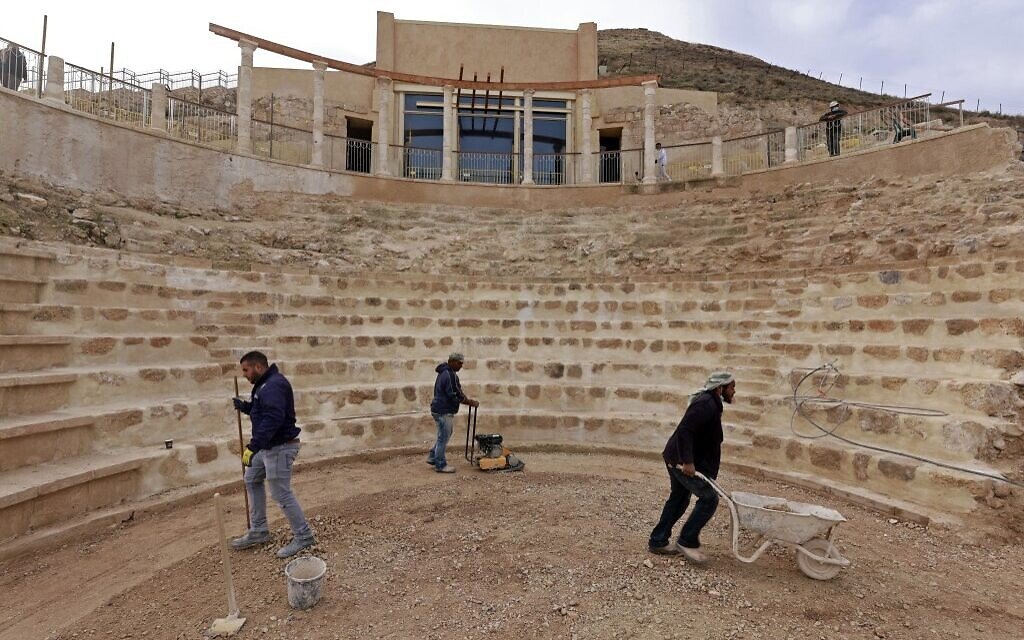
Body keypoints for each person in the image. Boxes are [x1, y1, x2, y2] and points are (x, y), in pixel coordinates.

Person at [230, 351, 315, 558]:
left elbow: (274, 417)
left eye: (246, 370)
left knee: (280, 492)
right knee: (251, 478)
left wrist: (253, 446)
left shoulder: (273, 385)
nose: (244, 374)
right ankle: (259, 530)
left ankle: (303, 536)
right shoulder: (265, 385)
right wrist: (246, 407)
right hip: (269, 446)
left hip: (280, 447)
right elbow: (264, 411)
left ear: (258, 367)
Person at [648, 372, 736, 563]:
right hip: (680, 461)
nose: (734, 391)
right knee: (709, 499)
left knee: (679, 499)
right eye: (731, 387)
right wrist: (687, 461)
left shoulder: (711, 403)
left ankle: (658, 541)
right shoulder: (706, 404)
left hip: (677, 457)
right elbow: (686, 430)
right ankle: (687, 540)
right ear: (720, 388)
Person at [428, 352, 479, 473]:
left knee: (444, 435)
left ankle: (432, 456)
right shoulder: (449, 375)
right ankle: (440, 465)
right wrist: (470, 402)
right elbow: (455, 394)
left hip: (438, 408)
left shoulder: (444, 372)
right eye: (459, 363)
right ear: (452, 361)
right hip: (443, 410)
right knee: (443, 437)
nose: (461, 366)